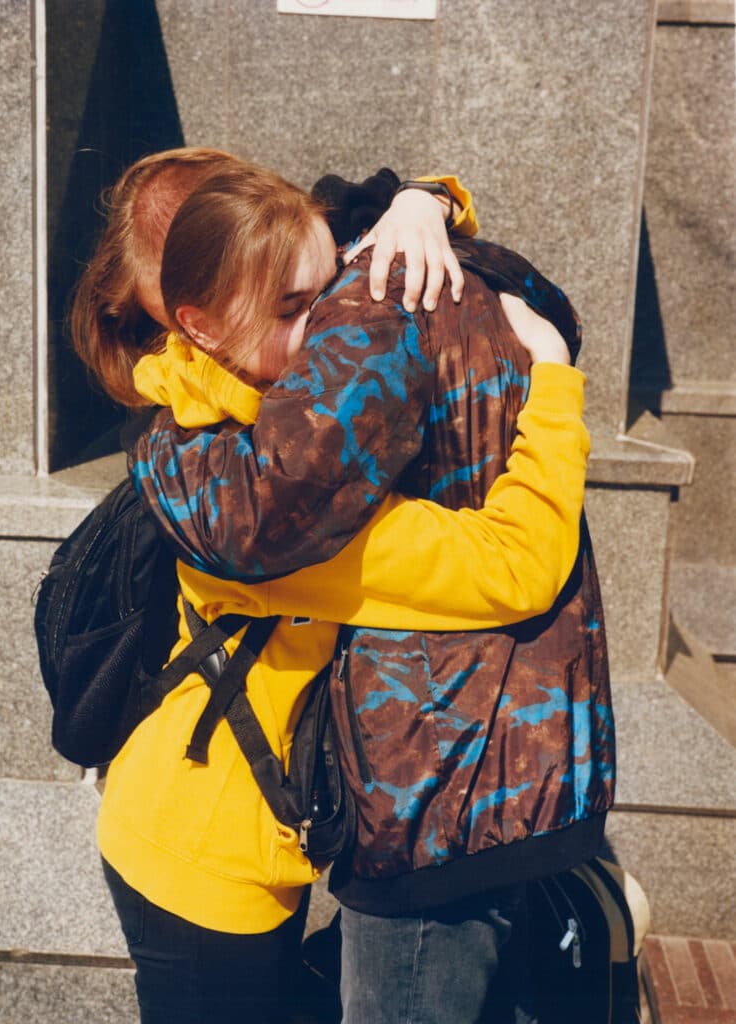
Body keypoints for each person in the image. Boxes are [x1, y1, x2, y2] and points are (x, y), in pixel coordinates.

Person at [70, 149, 595, 1023]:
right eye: (292, 310)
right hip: (201, 866)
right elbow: (517, 565)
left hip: (224, 839)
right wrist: (553, 386)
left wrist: (425, 205)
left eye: (327, 295)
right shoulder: (272, 513)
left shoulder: (225, 395)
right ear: (199, 322)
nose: (329, 330)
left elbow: (353, 213)